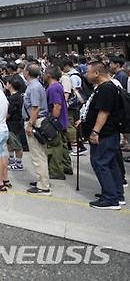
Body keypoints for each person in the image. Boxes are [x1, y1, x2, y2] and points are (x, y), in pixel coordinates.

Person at [79, 61, 125, 209]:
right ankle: (116, 193)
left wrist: (95, 131)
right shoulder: (106, 87)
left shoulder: (106, 89)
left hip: (105, 134)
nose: (86, 74)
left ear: (97, 73)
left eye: (88, 72)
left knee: (100, 163)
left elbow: (104, 112)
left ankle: (110, 198)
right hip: (109, 133)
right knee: (110, 164)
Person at [23, 64, 51, 195]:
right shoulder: (36, 85)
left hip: (35, 121)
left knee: (37, 155)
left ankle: (43, 185)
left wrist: (30, 124)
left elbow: (35, 107)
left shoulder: (33, 87)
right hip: (37, 120)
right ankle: (42, 180)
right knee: (40, 154)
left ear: (27, 72)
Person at [45, 66, 73, 180]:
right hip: (62, 121)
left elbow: (57, 105)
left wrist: (53, 121)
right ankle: (66, 166)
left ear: (49, 75)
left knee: (56, 147)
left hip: (57, 121)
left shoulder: (53, 88)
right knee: (62, 144)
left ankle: (56, 171)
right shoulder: (57, 86)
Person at [5, 76, 25, 170]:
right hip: (13, 123)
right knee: (10, 142)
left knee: (16, 144)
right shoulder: (17, 96)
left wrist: (3, 119)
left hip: (14, 124)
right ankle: (11, 159)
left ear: (11, 85)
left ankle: (18, 163)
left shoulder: (14, 98)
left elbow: (9, 112)